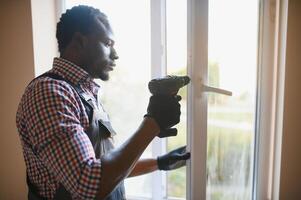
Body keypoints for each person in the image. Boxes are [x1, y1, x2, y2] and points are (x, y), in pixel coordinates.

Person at [16, 5, 190, 200]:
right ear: (80, 41)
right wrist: (153, 123)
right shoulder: (49, 93)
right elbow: (89, 182)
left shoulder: (85, 94)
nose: (115, 54)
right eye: (108, 43)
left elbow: (109, 168)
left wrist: (160, 162)